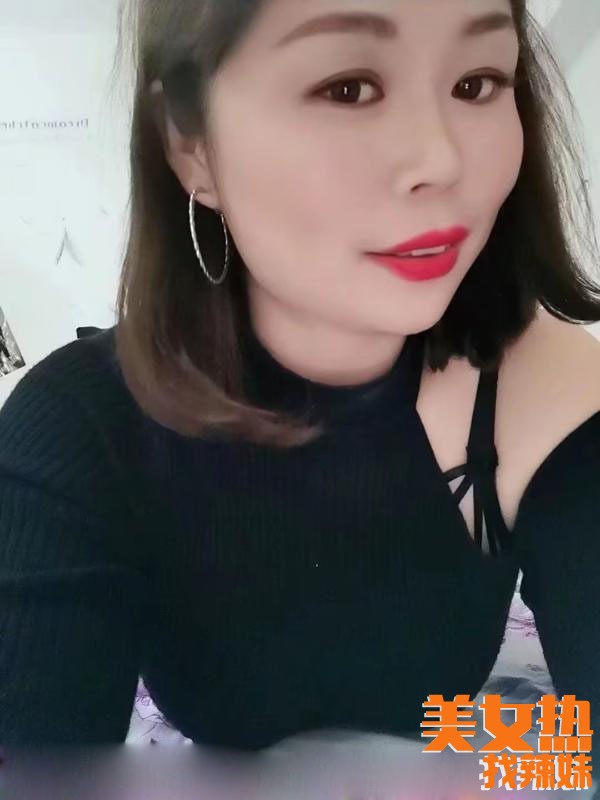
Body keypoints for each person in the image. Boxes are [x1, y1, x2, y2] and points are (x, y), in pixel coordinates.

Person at [1, 0, 599, 771]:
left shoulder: (540, 390)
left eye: (477, 83)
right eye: (348, 88)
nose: (443, 161)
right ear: (190, 142)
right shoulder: (77, 428)